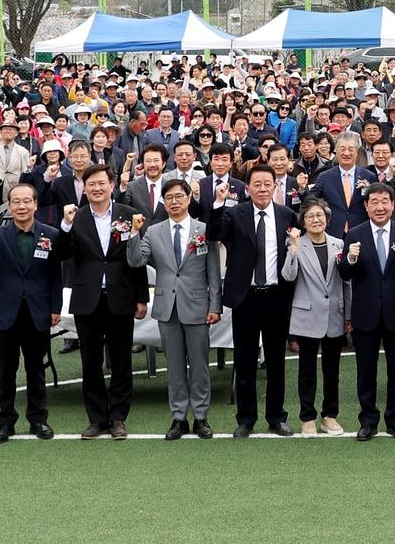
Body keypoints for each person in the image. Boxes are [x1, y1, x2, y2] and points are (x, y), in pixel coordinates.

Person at [55, 164, 148, 439]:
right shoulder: (76, 217)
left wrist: (141, 296)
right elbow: (62, 254)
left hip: (121, 296)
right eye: (90, 184)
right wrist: (65, 225)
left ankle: (118, 416)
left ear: (111, 184)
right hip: (87, 298)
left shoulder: (129, 215)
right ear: (84, 188)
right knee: (90, 361)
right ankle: (96, 418)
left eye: (101, 183)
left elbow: (137, 260)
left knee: (121, 361)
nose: (96, 188)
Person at [206, 164, 297, 437]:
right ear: (247, 188)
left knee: (276, 362)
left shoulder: (286, 215)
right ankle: (246, 418)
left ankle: (276, 417)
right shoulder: (236, 213)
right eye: (256, 184)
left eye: (267, 183)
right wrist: (219, 202)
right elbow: (213, 234)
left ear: (275, 186)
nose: (262, 188)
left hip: (276, 297)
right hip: (245, 297)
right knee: (244, 361)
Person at [129, 177, 221, 440]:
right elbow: (136, 261)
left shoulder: (204, 230)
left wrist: (215, 304)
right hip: (167, 307)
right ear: (164, 202)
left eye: (179, 196)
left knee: (200, 365)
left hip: (198, 306)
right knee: (175, 366)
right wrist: (135, 233)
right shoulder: (154, 231)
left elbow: (213, 272)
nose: (174, 202)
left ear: (188, 198)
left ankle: (201, 417)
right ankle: (178, 417)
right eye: (169, 198)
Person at [0, 183, 66, 443]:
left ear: (36, 204)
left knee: (36, 368)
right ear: (9, 205)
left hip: (38, 310)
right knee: (6, 370)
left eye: (27, 201)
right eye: (16, 201)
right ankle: (5, 421)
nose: (22, 206)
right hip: (6, 311)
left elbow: (55, 276)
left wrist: (55, 308)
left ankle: (38, 419)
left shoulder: (51, 234)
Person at [338, 182, 395, 441]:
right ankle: (368, 420)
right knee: (365, 371)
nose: (380, 207)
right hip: (365, 312)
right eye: (375, 202)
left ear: (393, 205)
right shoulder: (355, 234)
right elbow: (344, 273)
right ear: (366, 206)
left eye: (385, 201)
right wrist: (349, 258)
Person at [280, 198, 350, 436]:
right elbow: (288, 277)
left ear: (327, 219)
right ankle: (307, 417)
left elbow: (346, 282)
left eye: (319, 215)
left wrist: (348, 314)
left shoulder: (339, 244)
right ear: (303, 222)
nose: (316, 220)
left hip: (334, 315)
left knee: (332, 371)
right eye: (310, 216)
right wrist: (293, 248)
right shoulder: (298, 244)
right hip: (306, 315)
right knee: (306, 370)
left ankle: (330, 415)